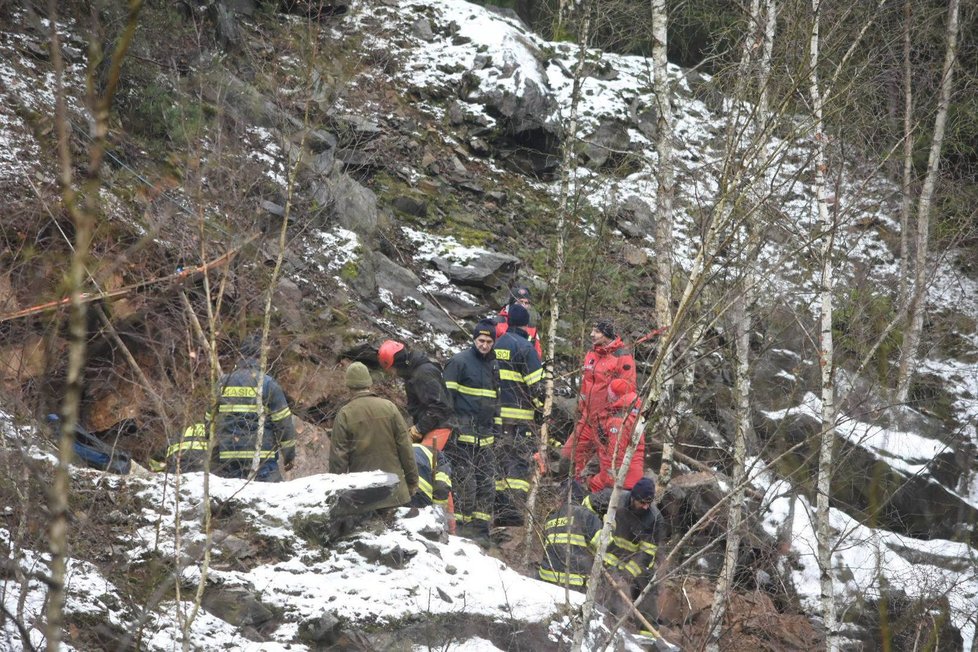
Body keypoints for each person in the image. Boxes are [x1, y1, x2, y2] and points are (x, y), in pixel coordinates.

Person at [329, 362, 420, 510]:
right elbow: (406, 448)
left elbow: (338, 460)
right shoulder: (389, 407)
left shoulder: (345, 414)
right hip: (395, 493)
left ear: (349, 386)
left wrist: (334, 492)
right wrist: (412, 482)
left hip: (363, 497)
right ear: (369, 383)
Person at [584, 477, 666, 634]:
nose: (645, 506)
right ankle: (603, 628)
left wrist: (626, 576)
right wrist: (594, 533)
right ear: (633, 497)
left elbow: (647, 555)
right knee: (604, 597)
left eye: (648, 503)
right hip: (599, 557)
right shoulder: (613, 498)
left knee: (647, 582)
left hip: (628, 565)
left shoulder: (654, 519)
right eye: (642, 502)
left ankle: (647, 636)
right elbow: (586, 507)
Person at [211, 334, 296, 482]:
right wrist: (289, 456)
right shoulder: (268, 384)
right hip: (262, 461)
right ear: (260, 358)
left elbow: (209, 422)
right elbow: (284, 425)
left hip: (228, 459)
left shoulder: (222, 383)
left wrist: (214, 452)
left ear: (239, 356)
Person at [443, 320, 499, 540]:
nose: (484, 345)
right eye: (481, 341)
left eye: (489, 341)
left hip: (485, 437)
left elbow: (496, 399)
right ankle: (462, 531)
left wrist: (497, 429)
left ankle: (481, 531)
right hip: (461, 438)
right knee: (464, 484)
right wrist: (452, 429)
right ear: (474, 340)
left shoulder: (493, 365)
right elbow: (446, 400)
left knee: (486, 484)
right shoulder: (458, 362)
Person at [563, 320, 637, 483]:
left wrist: (615, 419)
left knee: (607, 463)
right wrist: (581, 405)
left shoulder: (622, 356)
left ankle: (597, 492)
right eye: (592, 331)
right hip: (587, 417)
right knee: (569, 453)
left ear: (606, 335)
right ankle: (576, 486)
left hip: (606, 420)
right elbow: (586, 384)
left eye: (596, 331)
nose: (591, 334)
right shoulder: (591, 353)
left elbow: (628, 390)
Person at [493, 303, 544, 526]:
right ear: (526, 324)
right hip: (520, 416)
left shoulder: (497, 344)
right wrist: (542, 410)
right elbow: (536, 386)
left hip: (497, 415)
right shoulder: (526, 348)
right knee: (519, 463)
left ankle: (497, 505)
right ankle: (512, 512)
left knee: (500, 461)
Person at [377, 340, 453, 446]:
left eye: (389, 369)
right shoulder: (411, 373)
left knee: (423, 460)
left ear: (395, 365)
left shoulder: (423, 374)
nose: (389, 373)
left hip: (440, 428)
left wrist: (419, 429)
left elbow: (439, 407)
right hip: (430, 426)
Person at [538, 485, 603, 590]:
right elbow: (603, 544)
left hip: (547, 580)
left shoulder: (550, 519)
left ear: (561, 499)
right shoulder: (587, 515)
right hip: (576, 585)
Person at [587, 378, 645, 492]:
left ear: (616, 396)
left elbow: (616, 456)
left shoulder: (619, 421)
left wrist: (605, 481)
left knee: (590, 492)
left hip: (621, 482)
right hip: (632, 478)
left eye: (610, 394)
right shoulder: (635, 415)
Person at [411, 428, 455, 532]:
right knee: (424, 526)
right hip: (420, 492)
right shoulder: (441, 459)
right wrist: (440, 514)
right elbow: (442, 487)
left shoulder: (411, 448)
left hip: (398, 488)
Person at [494, 285, 543, 359]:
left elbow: (537, 354)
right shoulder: (498, 322)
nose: (523, 305)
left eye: (526, 303)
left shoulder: (531, 326)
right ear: (512, 303)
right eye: (520, 302)